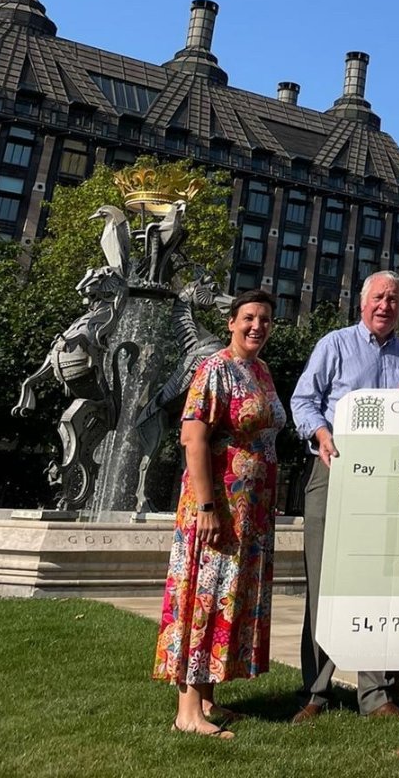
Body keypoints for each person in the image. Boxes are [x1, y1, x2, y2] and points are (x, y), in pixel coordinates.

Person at [290, 270, 399, 723]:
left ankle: (377, 694)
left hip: (388, 481)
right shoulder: (335, 344)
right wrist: (321, 433)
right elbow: (303, 400)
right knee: (323, 581)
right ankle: (316, 692)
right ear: (362, 302)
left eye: (393, 299)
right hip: (333, 470)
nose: (386, 305)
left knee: (378, 585)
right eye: (379, 297)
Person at [154, 290, 286, 738]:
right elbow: (193, 439)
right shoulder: (215, 368)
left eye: (265, 319)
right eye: (248, 318)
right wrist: (208, 506)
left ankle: (208, 698)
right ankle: (187, 711)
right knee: (204, 596)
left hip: (252, 513)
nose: (257, 326)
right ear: (231, 322)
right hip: (218, 507)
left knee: (227, 594)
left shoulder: (260, 371)